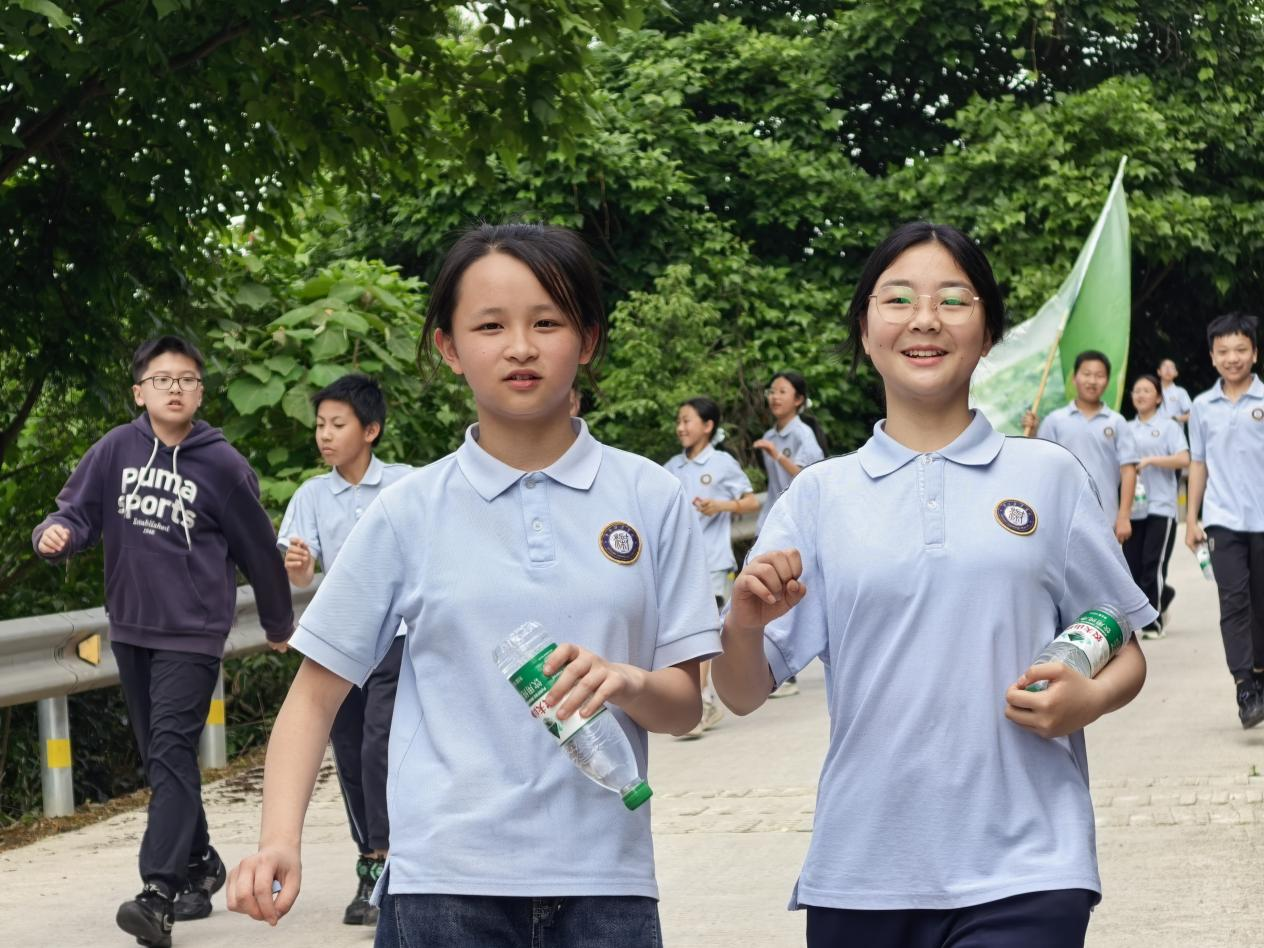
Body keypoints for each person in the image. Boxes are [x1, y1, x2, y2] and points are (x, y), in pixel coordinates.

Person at [225, 223, 720, 947]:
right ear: (450, 348)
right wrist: (279, 840)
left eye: (546, 322)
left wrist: (625, 681)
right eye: (490, 326)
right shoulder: (407, 512)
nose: (520, 347)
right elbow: (314, 696)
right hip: (443, 890)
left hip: (606, 887)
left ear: (587, 339)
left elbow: (683, 706)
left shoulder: (651, 498)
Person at [712, 221, 1153, 948]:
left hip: (1030, 866)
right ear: (864, 331)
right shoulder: (818, 497)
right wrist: (744, 623)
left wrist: (1091, 699)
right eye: (898, 300)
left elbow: (1124, 647)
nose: (925, 319)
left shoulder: (1047, 477)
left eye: (953, 299)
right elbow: (741, 692)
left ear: (988, 333)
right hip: (861, 872)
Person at [32, 335, 294, 948]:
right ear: (139, 392)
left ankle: (157, 893)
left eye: (186, 379)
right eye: (161, 379)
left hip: (193, 633)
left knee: (172, 749)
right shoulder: (115, 449)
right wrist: (55, 533)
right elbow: (76, 513)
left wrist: (279, 624)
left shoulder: (223, 465)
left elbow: (260, 551)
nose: (174, 388)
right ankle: (200, 862)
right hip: (131, 628)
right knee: (162, 758)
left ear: (200, 392)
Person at [276, 373, 414, 925]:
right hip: (342, 643)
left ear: (370, 430)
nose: (325, 436)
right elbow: (301, 572)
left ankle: (390, 860)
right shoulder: (311, 495)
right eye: (320, 426)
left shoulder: (406, 484)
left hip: (399, 639)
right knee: (351, 751)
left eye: (337, 424)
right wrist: (299, 567)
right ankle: (370, 858)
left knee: (381, 743)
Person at [1185, 312, 1264, 729]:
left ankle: (1260, 674)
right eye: (1223, 351)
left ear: (1255, 353)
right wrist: (1191, 518)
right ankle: (1244, 686)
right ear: (1213, 357)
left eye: (1240, 349)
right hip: (1222, 520)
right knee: (1234, 601)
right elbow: (1198, 463)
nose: (1232, 358)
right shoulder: (1202, 406)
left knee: (1260, 604)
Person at [664, 396, 759, 737]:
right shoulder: (671, 467)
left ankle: (700, 704)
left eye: (687, 420)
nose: (681, 427)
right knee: (687, 632)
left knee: (703, 630)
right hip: (680, 565)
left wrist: (720, 506)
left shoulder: (722, 463)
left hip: (714, 560)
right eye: (679, 420)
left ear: (707, 426)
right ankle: (702, 700)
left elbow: (751, 502)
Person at [754, 371, 826, 697]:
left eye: (782, 391)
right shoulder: (771, 434)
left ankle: (783, 673)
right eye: (772, 391)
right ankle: (769, 668)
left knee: (783, 594)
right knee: (764, 593)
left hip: (795, 525)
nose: (775, 396)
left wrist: (776, 455)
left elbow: (807, 477)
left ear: (798, 400)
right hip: (770, 519)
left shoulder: (802, 434)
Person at [1023, 350, 1139, 543]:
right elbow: (1041, 464)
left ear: (1107, 381)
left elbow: (1129, 471)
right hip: (1061, 517)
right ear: (1074, 378)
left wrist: (1124, 516)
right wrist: (1033, 433)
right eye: (1086, 374)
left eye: (1099, 375)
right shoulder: (1055, 421)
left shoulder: (1117, 422)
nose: (1092, 381)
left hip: (1105, 518)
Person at [1123, 375, 1189, 639]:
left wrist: (1151, 461)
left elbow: (1184, 459)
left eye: (1146, 390)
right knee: (1133, 568)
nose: (1140, 395)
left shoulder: (1168, 426)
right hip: (1133, 508)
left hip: (1161, 507)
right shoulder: (1124, 427)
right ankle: (1165, 594)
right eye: (1136, 390)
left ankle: (1153, 622)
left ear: (1159, 397)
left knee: (1152, 564)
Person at [1156, 357, 1192, 425]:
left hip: (1174, 430)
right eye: (1164, 366)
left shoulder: (1180, 392)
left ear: (1176, 373)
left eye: (1171, 367)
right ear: (1159, 372)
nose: (1168, 369)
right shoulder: (1152, 391)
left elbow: (1191, 415)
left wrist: (1175, 419)